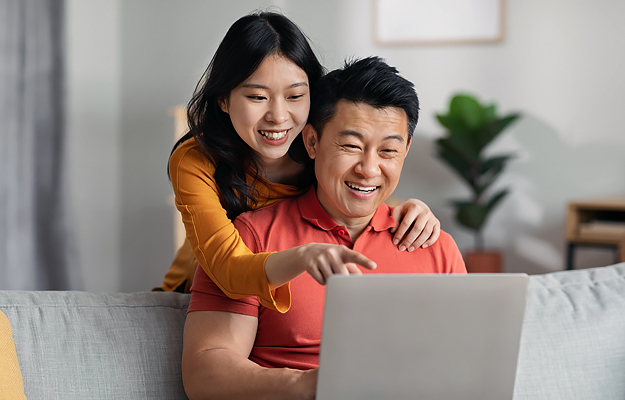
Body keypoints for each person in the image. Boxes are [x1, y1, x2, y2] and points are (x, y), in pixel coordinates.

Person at [182, 56, 467, 400]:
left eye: (388, 151)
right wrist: (307, 386)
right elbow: (204, 373)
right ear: (312, 141)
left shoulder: (435, 246)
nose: (369, 169)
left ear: (406, 149)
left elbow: (461, 367)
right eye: (351, 146)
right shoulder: (250, 239)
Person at [155, 11, 442, 313]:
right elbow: (228, 269)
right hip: (198, 295)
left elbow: (364, 194)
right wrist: (303, 256)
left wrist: (413, 211)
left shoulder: (320, 146)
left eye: (294, 96)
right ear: (223, 100)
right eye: (257, 97)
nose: (278, 116)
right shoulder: (196, 159)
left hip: (281, 303)